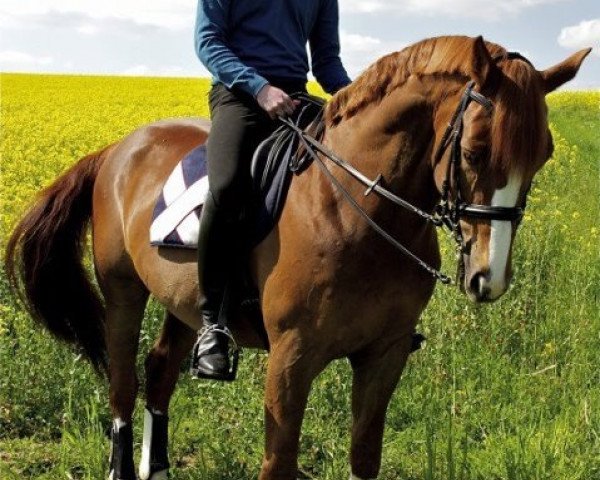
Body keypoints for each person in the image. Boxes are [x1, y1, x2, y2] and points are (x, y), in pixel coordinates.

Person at [191, 0, 351, 381]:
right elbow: (208, 42)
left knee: (355, 171)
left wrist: (359, 99)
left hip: (295, 98)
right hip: (239, 96)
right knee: (228, 185)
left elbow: (326, 60)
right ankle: (213, 324)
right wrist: (259, 87)